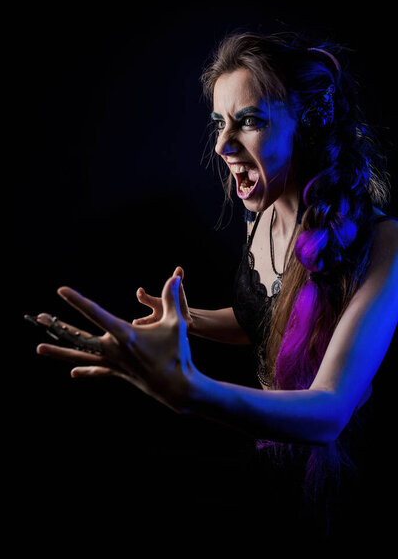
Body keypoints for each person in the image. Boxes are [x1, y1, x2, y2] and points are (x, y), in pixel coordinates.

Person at [26, 31, 398, 537]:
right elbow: (263, 317)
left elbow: (330, 411)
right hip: (278, 467)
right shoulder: (261, 214)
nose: (223, 145)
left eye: (248, 121)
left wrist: (191, 390)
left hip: (356, 489)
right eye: (219, 123)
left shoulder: (385, 245)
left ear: (307, 125)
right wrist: (187, 320)